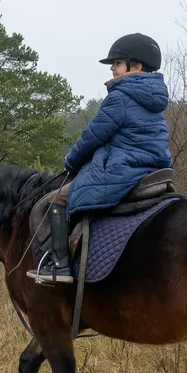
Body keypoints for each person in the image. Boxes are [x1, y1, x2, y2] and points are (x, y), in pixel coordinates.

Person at [26, 32, 172, 285]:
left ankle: (59, 265)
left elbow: (92, 136)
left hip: (122, 170)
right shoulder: (154, 100)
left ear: (136, 66)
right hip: (153, 171)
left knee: (56, 200)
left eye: (117, 63)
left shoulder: (120, 97)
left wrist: (71, 161)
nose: (113, 69)